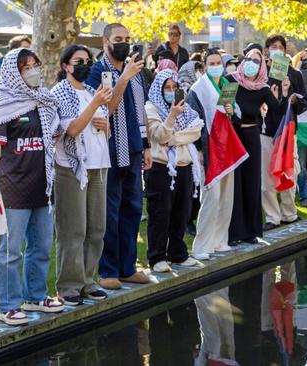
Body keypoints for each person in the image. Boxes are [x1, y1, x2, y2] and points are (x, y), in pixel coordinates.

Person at [0, 48, 65, 326]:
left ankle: (35, 296)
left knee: (41, 246)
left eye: (36, 65)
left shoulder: (43, 101)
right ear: (14, 71)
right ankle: (9, 305)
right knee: (11, 252)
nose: (34, 70)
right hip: (12, 188)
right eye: (27, 67)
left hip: (42, 187)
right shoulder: (2, 105)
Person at [86, 23, 151, 290]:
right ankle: (108, 270)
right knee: (108, 214)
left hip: (134, 149)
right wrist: (123, 77)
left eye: (127, 38)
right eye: (118, 39)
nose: (124, 43)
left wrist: (146, 146)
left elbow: (140, 111)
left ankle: (128, 267)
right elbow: (104, 112)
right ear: (105, 42)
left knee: (133, 210)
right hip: (109, 152)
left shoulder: (136, 72)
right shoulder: (96, 72)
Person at [51, 45, 113, 306]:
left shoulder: (90, 91)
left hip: (98, 165)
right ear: (66, 65)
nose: (85, 65)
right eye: (79, 61)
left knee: (96, 228)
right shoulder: (60, 92)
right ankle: (68, 285)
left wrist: (105, 124)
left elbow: (101, 130)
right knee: (73, 229)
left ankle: (88, 280)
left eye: (88, 60)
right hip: (71, 167)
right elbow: (72, 129)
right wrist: (96, 107)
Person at [226, 48, 291, 244]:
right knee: (235, 183)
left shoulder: (263, 89)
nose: (251, 63)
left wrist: (285, 93)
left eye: (256, 60)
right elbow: (222, 107)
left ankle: (250, 232)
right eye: (248, 59)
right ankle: (234, 233)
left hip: (252, 136)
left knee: (252, 182)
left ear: (261, 65)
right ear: (243, 61)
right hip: (234, 137)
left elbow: (278, 109)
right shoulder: (230, 81)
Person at [186, 49, 241, 260]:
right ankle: (202, 245)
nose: (216, 65)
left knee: (227, 197)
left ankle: (220, 240)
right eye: (212, 62)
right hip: (209, 150)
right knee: (211, 197)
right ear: (205, 65)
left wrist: (231, 110)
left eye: (219, 62)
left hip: (227, 147)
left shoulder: (227, 86)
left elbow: (234, 116)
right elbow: (194, 120)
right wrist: (199, 150)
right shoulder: (197, 89)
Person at [145, 70, 202, 273]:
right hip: (160, 167)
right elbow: (159, 135)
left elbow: (196, 129)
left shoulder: (184, 108)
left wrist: (174, 139)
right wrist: (171, 117)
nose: (171, 91)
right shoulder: (151, 108)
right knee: (160, 212)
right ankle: (157, 256)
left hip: (184, 165)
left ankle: (177, 254)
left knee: (182, 212)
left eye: (174, 87)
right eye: (167, 88)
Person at [263, 35, 307, 227]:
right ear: (267, 51)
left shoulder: (295, 74)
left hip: (289, 130)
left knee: (290, 171)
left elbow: (305, 101)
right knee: (267, 176)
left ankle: (289, 214)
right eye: (273, 47)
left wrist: (294, 100)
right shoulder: (262, 74)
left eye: (280, 47)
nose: (277, 50)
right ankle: (272, 217)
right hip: (266, 132)